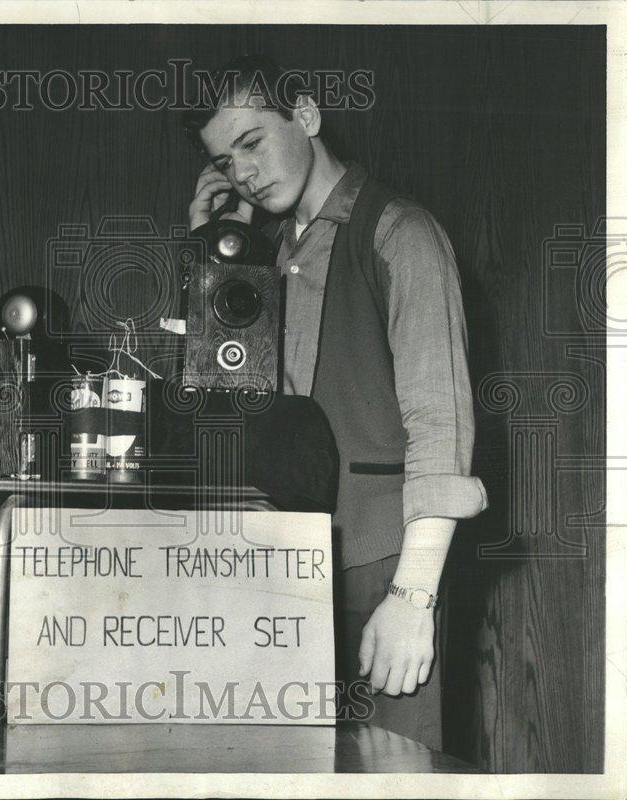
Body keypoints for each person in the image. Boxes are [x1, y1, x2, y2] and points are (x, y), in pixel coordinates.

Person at [182, 55, 488, 750]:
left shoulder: (400, 233)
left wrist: (413, 599)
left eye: (253, 142)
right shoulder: (258, 256)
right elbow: (217, 411)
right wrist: (211, 255)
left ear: (309, 116)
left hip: (384, 568)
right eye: (226, 161)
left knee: (395, 775)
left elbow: (441, 426)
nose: (244, 172)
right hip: (281, 568)